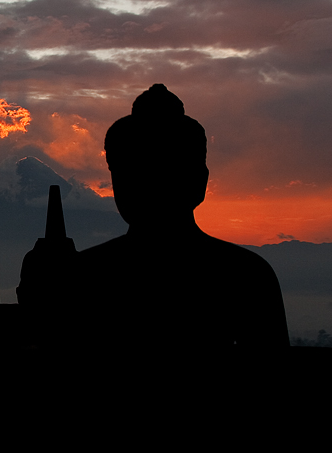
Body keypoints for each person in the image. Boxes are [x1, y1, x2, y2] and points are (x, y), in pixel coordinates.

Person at [77, 84, 289, 347]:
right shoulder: (245, 274)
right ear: (201, 184)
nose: (149, 187)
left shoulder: (85, 274)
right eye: (133, 175)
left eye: (163, 174)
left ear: (198, 182)